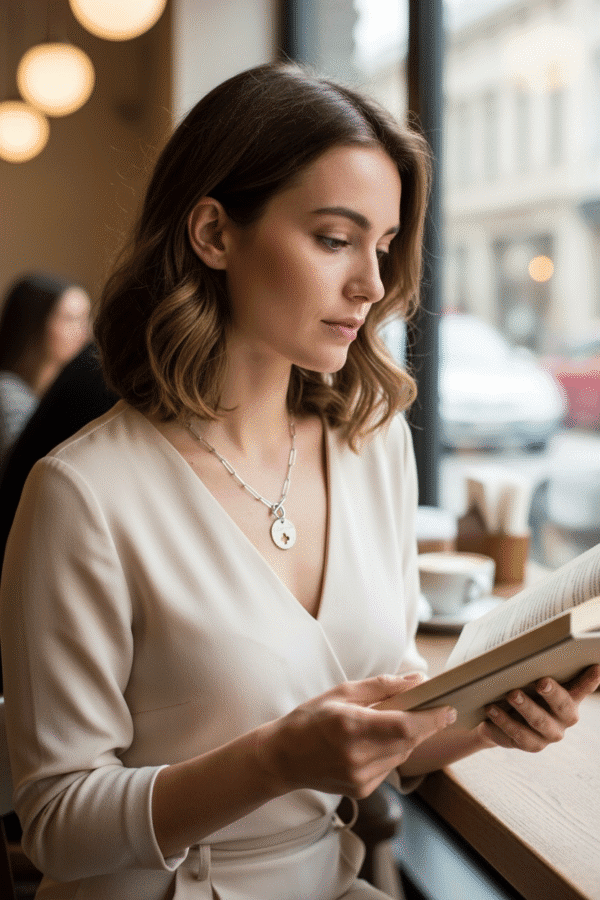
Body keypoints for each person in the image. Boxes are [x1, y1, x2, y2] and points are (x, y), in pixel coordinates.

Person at [1, 62, 598, 900]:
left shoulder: (373, 447)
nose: (373, 284)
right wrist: (277, 759)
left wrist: (490, 721)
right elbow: (57, 826)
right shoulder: (83, 494)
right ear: (214, 233)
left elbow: (385, 733)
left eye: (383, 246)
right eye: (334, 239)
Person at [0, 273, 91, 462]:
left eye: (86, 320)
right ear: (35, 324)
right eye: (71, 319)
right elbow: (26, 465)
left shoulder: (58, 394)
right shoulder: (7, 392)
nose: (85, 333)